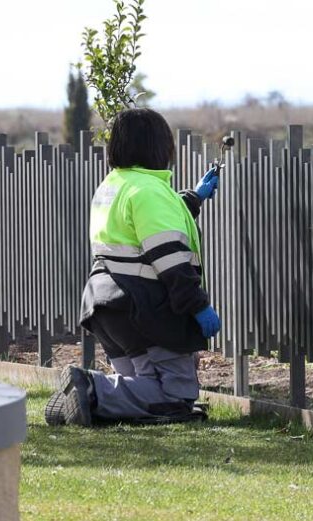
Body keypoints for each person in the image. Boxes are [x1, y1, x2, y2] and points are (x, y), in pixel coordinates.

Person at [45, 108, 222, 426]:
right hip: (145, 309)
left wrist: (194, 198)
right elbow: (169, 259)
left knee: (141, 389)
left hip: (106, 306)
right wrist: (198, 307)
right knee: (175, 396)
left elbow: (137, 226)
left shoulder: (112, 185)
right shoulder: (150, 192)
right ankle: (91, 389)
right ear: (159, 146)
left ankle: (85, 400)